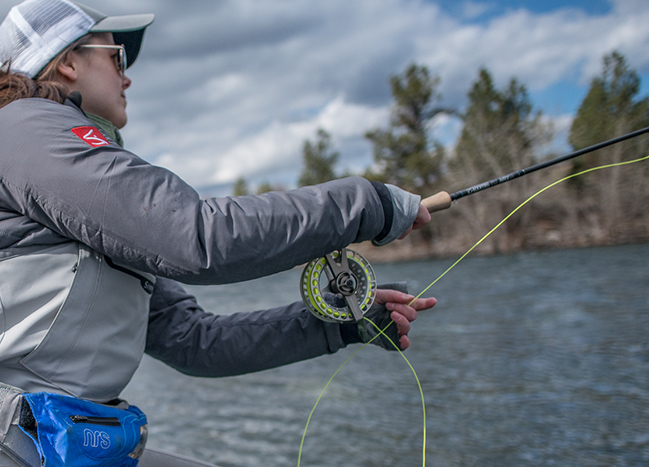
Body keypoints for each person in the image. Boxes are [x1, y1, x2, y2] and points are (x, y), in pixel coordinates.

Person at [0, 0, 436, 465]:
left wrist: (341, 323)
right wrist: (366, 204)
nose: (126, 76)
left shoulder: (59, 163)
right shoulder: (24, 127)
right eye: (116, 56)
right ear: (67, 61)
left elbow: (193, 340)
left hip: (61, 441)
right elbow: (196, 237)